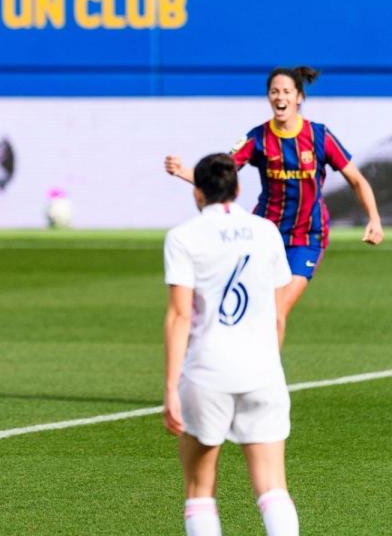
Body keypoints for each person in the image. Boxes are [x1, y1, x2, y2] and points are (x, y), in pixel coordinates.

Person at [165, 66, 383, 319]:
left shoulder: (319, 136)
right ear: (269, 97)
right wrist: (183, 172)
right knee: (255, 309)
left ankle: (267, 361)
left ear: (299, 97)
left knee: (276, 313)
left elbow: (357, 180)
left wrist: (374, 219)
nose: (280, 97)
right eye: (274, 91)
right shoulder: (258, 137)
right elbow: (218, 176)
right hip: (264, 234)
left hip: (307, 236)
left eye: (287, 91)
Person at [163, 153, 299, 536]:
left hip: (207, 373)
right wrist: (270, 364)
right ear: (238, 189)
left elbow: (179, 315)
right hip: (263, 372)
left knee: (200, 491)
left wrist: (171, 388)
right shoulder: (267, 231)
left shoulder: (183, 237)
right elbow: (277, 314)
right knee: (273, 488)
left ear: (197, 194)